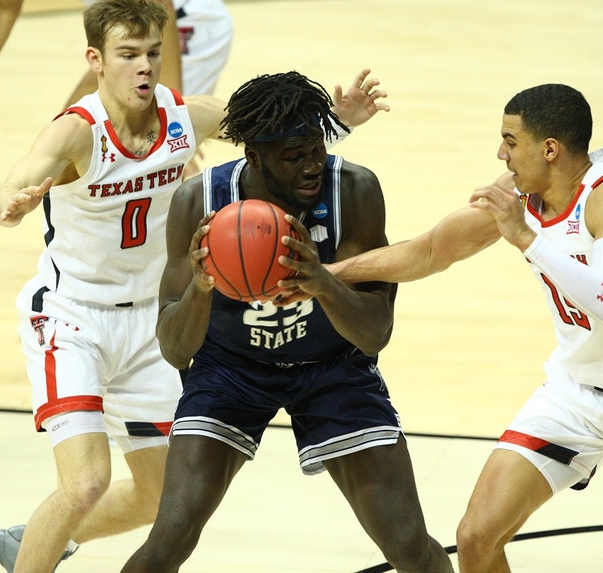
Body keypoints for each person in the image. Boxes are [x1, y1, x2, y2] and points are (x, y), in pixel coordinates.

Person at [0, 0, 389, 570]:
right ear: (96, 60)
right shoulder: (77, 132)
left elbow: (268, 129)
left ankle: (37, 537)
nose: (144, 67)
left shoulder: (185, 117)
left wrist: (336, 121)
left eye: (152, 52)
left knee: (156, 498)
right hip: (72, 317)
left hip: (149, 324)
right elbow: (19, 176)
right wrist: (10, 203)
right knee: (87, 482)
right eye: (128, 55)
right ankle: (45, 543)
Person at [321, 83, 603, 572]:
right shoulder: (520, 197)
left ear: (550, 149)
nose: (501, 154)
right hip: (574, 395)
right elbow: (430, 251)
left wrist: (523, 237)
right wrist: (322, 277)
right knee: (476, 538)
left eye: (511, 141)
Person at [119, 70, 453, 573]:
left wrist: (321, 281)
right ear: (253, 156)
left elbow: (374, 333)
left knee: (408, 546)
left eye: (316, 149)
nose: (312, 166)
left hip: (331, 367)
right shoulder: (199, 203)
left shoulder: (354, 191)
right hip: (229, 369)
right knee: (170, 537)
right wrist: (201, 286)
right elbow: (174, 349)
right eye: (293, 157)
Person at [0, 0, 233, 157]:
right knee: (68, 137)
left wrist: (173, 118)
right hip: (132, 28)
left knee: (154, 149)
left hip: (184, 28)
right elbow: (3, 8)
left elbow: (159, 6)